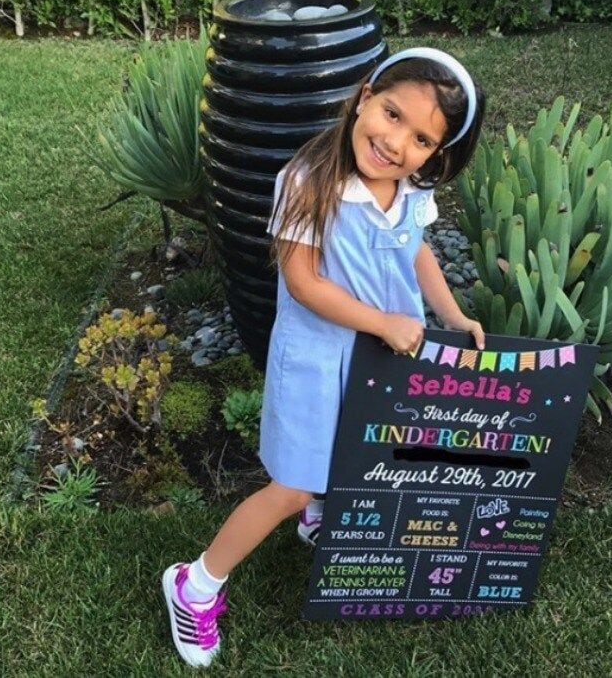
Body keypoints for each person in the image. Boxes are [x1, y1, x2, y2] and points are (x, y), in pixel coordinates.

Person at [162, 47, 487, 668]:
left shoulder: (410, 190)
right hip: (319, 359)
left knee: (359, 449)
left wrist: (447, 312)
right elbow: (305, 283)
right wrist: (384, 323)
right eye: (391, 114)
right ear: (364, 95)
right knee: (293, 482)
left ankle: (319, 516)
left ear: (434, 156)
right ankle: (196, 583)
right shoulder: (307, 182)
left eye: (420, 138)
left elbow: (415, 251)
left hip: (380, 355)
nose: (395, 142)